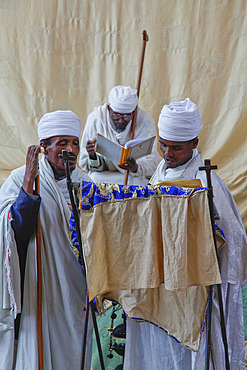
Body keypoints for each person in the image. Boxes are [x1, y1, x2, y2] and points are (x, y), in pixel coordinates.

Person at [123, 98, 247, 369]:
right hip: (160, 284)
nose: (167, 153)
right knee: (158, 350)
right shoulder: (158, 174)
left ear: (194, 143)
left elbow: (234, 239)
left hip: (193, 289)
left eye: (176, 147)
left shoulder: (206, 182)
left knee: (188, 353)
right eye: (163, 145)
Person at [0, 110, 93, 369]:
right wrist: (29, 183)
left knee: (74, 351)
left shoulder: (86, 183)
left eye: (74, 142)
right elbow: (15, 230)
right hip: (37, 285)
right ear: (44, 147)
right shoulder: (22, 178)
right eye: (62, 143)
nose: (70, 149)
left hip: (74, 286)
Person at [79, 85, 161, 186]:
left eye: (127, 116)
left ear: (134, 112)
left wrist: (135, 167)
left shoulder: (145, 121)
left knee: (142, 185)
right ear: (109, 109)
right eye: (116, 116)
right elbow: (85, 165)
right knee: (93, 180)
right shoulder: (96, 119)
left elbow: (151, 161)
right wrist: (92, 155)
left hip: (133, 177)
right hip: (103, 175)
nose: (121, 121)